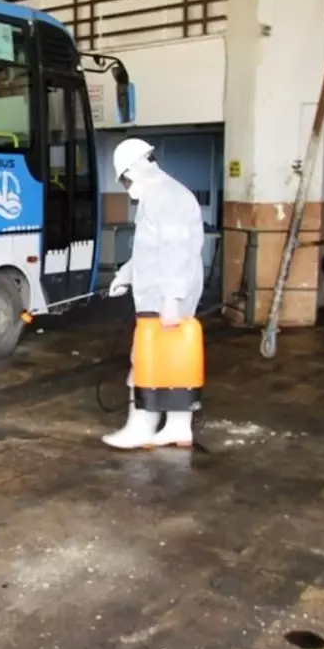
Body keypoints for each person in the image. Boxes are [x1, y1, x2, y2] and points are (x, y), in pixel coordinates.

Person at [103, 137, 205, 449]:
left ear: (137, 167)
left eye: (124, 177)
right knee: (174, 360)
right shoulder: (159, 195)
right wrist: (125, 275)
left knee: (145, 360)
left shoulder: (166, 197)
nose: (126, 184)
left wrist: (171, 300)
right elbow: (150, 252)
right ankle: (177, 426)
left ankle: (141, 428)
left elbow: (175, 251)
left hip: (166, 297)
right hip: (161, 295)